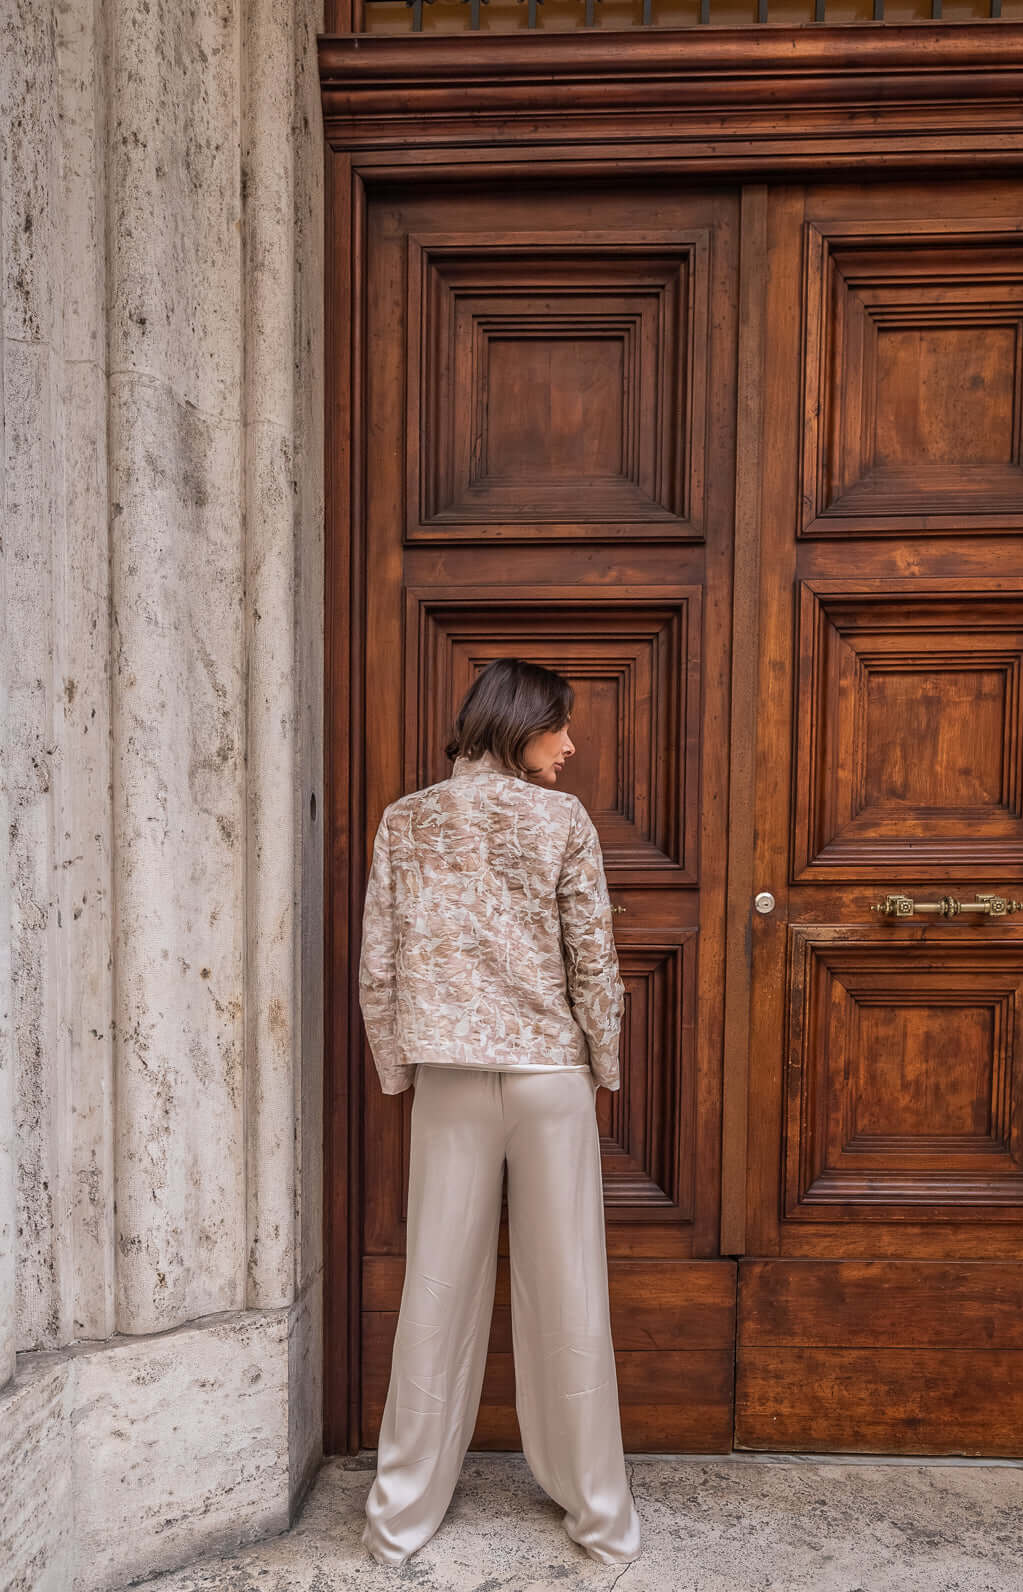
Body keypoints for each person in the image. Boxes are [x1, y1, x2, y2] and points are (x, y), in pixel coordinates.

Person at [358, 657, 642, 1568]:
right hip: (548, 1076)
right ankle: (601, 1518)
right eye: (561, 725)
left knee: (435, 1290)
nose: (571, 744)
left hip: (449, 1075)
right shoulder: (561, 820)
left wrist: (396, 1069)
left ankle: (398, 1521)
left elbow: (378, 963)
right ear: (521, 725)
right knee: (570, 1293)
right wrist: (604, 1061)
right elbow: (592, 956)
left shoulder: (407, 820)